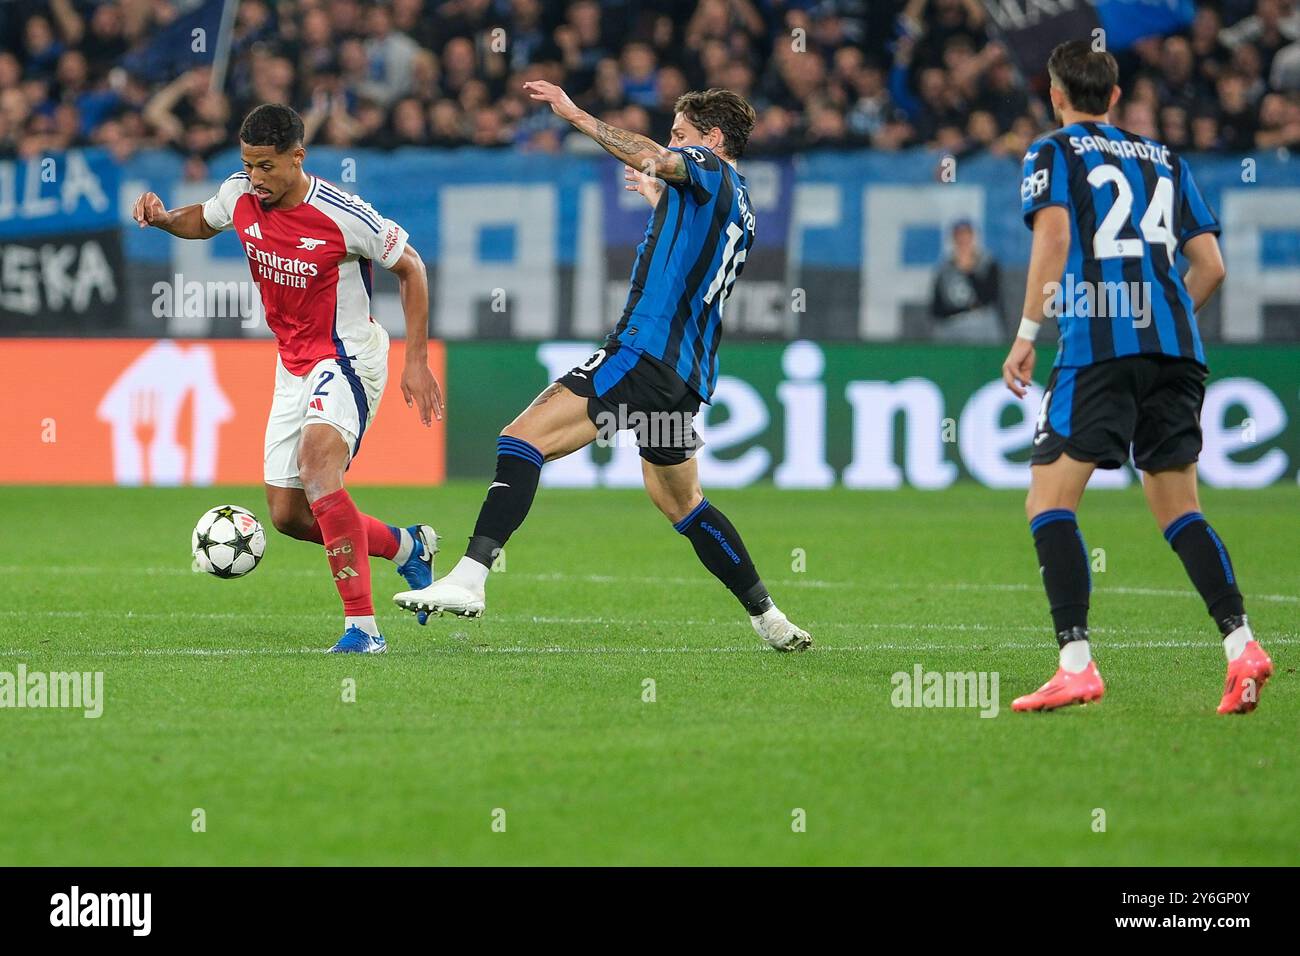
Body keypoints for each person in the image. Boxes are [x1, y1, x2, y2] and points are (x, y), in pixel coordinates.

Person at [395, 82, 812, 652]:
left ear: (712, 140)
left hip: (642, 355)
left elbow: (651, 155)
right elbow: (691, 242)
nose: (673, 143)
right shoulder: (741, 203)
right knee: (680, 501)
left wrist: (575, 116)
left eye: (682, 134)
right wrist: (658, 198)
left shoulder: (705, 167)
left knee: (521, 441)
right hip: (685, 380)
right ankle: (770, 618)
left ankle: (471, 577)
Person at [1002, 40, 1272, 714]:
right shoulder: (1167, 159)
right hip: (1177, 349)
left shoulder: (1053, 151)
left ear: (1056, 95)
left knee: (1049, 503)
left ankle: (1076, 664)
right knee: (1181, 510)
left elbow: (1055, 239)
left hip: (1098, 347)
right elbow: (1210, 267)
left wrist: (1028, 333)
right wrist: (1162, 312)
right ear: (1116, 96)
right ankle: (1242, 645)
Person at [132, 103, 445, 654]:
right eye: (249, 164)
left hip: (346, 357)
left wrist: (416, 360)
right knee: (289, 515)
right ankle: (406, 547)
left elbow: (412, 267)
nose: (256, 178)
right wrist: (162, 219)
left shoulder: (344, 215)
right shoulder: (241, 194)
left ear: (298, 157)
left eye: (267, 166)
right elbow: (203, 220)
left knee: (318, 470)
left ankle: (363, 631)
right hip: (292, 362)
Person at [929, 218, 1002, 342]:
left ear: (973, 237)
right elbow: (936, 308)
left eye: (966, 235)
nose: (963, 240)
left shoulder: (987, 264)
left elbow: (990, 298)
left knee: (988, 319)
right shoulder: (944, 268)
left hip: (982, 325)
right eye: (959, 235)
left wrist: (968, 270)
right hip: (952, 326)